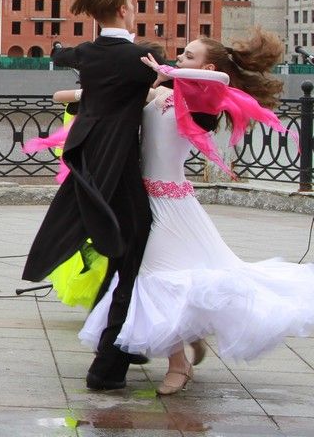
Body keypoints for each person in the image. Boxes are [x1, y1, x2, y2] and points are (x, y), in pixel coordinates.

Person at [77, 29, 307, 395]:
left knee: (159, 281)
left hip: (172, 205)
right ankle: (186, 344)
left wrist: (171, 73)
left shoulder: (204, 105)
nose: (179, 59)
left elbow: (220, 79)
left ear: (207, 66)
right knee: (160, 281)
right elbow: (92, 99)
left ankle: (179, 364)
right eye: (181, 55)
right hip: (145, 200)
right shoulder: (162, 93)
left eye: (188, 56)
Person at [22, 0, 159, 392]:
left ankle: (116, 344)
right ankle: (108, 363)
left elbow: (66, 55)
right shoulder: (142, 57)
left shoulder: (87, 54)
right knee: (130, 254)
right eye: (133, 2)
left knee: (118, 251)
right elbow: (169, 87)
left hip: (88, 161)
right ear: (122, 9)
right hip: (122, 167)